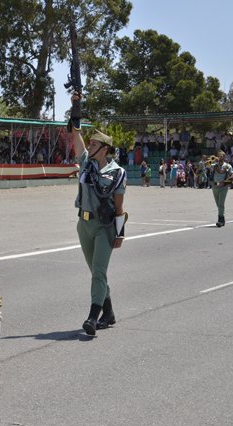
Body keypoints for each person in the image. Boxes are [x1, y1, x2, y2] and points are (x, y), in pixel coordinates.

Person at [69, 94, 127, 336]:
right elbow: (76, 136)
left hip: (105, 227)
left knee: (99, 272)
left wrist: (120, 234)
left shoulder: (118, 173)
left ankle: (93, 317)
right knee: (96, 272)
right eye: (90, 144)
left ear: (105, 150)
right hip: (84, 225)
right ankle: (109, 312)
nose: (89, 146)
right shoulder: (86, 163)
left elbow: (119, 206)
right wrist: (75, 107)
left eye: (94, 145)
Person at [211, 150, 233, 227]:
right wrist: (213, 162)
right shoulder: (214, 165)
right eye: (219, 156)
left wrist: (224, 182)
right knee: (218, 204)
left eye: (222, 156)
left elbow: (232, 176)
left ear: (224, 157)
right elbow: (207, 167)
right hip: (215, 186)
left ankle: (220, 220)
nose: (220, 157)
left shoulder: (228, 166)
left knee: (221, 203)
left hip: (223, 187)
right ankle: (222, 218)